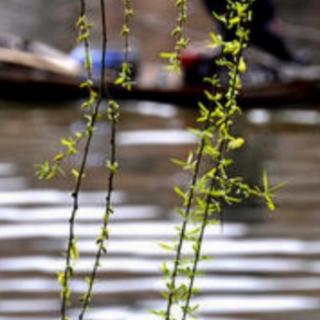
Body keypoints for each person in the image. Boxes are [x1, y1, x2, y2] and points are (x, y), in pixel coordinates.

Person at [202, 0, 297, 63]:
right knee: (231, 49)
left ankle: (288, 62)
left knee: (273, 43)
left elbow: (264, 4)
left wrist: (271, 17)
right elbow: (216, 9)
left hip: (256, 21)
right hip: (233, 24)